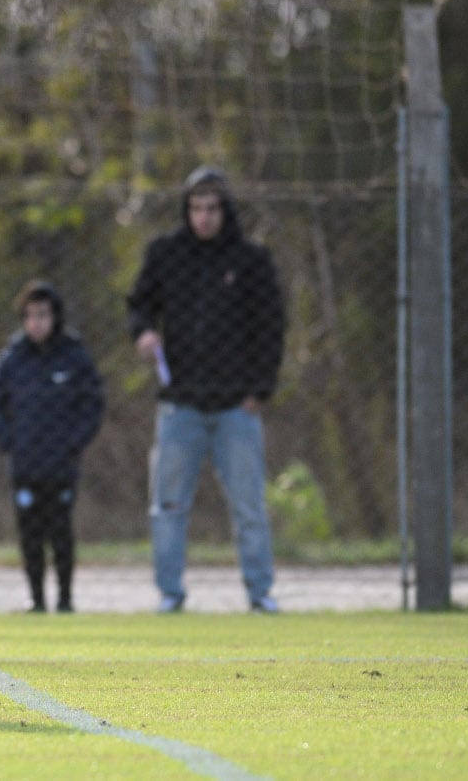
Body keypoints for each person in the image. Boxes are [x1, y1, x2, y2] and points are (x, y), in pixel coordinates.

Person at [126, 165, 285, 614]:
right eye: (196, 208)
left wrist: (260, 389)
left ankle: (260, 593)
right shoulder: (165, 254)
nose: (204, 217)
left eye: (213, 208)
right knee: (168, 506)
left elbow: (271, 328)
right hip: (181, 407)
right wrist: (142, 333)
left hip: (237, 406)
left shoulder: (251, 260)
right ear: (186, 210)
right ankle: (170, 594)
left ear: (226, 210)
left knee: (249, 507)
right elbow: (138, 305)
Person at [0, 280, 105, 614]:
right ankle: (36, 599)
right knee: (30, 532)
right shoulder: (13, 356)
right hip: (25, 462)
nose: (37, 322)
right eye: (30, 315)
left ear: (56, 317)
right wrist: (8, 442)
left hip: (62, 462)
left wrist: (76, 442)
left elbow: (93, 403)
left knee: (61, 528)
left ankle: (65, 599)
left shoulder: (74, 354)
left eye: (43, 315)